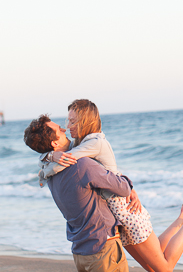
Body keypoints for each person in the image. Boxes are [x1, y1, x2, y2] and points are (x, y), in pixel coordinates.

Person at [26, 99, 183, 272]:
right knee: (156, 261)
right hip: (115, 221)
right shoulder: (78, 152)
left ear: (84, 121)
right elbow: (95, 172)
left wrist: (47, 161)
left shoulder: (89, 147)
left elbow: (105, 177)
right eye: (63, 125)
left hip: (125, 210)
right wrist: (49, 157)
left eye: (71, 122)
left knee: (164, 268)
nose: (66, 128)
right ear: (53, 142)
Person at [24, 114, 132, 272]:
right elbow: (124, 189)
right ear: (55, 143)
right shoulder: (83, 165)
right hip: (102, 248)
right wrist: (123, 178)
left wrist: (49, 156)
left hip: (80, 252)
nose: (64, 128)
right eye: (59, 130)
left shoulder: (49, 173)